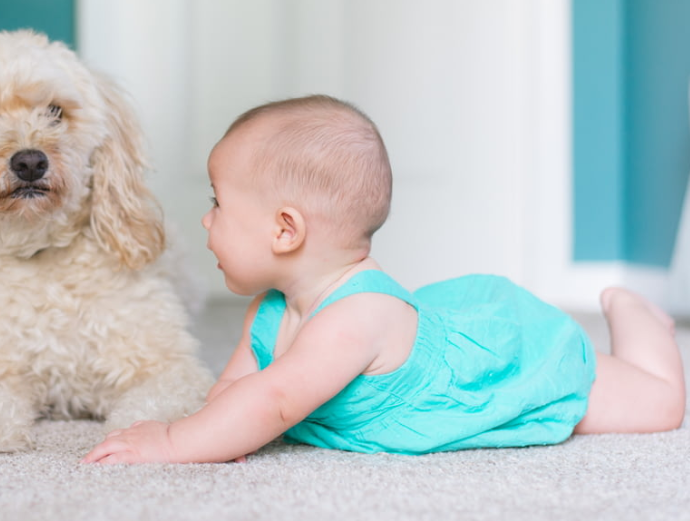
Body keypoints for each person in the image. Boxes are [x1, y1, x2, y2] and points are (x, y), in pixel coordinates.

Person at [82, 94, 686, 464]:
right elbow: (237, 394)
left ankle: (633, 312)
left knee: (659, 406)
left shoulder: (354, 319)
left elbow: (273, 401)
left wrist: (170, 443)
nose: (206, 220)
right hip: (432, 329)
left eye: (219, 204)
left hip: (504, 360)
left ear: (285, 231)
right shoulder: (269, 310)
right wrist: (212, 432)